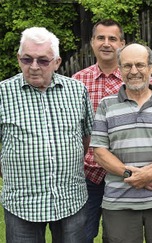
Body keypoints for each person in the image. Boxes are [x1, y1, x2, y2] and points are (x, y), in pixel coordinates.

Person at [0, 27, 93, 242]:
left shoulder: (77, 91)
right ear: (18, 58)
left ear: (57, 62)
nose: (33, 67)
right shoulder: (3, 93)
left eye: (43, 60)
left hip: (70, 199)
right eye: (27, 59)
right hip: (22, 203)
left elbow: (86, 138)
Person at [91, 43, 152, 243]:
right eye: (127, 66)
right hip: (119, 201)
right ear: (119, 69)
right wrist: (131, 175)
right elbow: (99, 151)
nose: (134, 71)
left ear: (151, 68)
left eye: (140, 65)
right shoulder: (106, 105)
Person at [72, 19, 127, 243]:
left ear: (122, 44)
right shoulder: (77, 82)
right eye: (101, 38)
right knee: (82, 235)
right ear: (92, 43)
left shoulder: (135, 78)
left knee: (119, 238)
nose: (106, 44)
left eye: (112, 39)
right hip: (88, 175)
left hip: (124, 174)